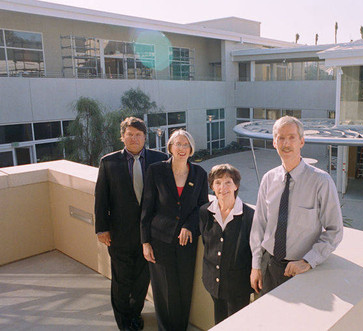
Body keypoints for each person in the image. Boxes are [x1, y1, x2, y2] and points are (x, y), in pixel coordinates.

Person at [250, 116, 343, 295]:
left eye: (292, 137)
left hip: (300, 269)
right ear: (274, 143)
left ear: (302, 141)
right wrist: (256, 265)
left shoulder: (321, 181)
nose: (286, 143)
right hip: (268, 266)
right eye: (281, 138)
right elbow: (259, 225)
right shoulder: (269, 179)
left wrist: (309, 261)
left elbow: (335, 230)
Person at [95, 117, 168, 331]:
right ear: (122, 137)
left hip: (150, 235)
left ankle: (135, 315)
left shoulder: (160, 159)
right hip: (119, 234)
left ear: (145, 137)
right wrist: (101, 228)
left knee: (141, 279)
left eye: (138, 134)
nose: (134, 138)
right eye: (130, 134)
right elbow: (101, 198)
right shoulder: (108, 162)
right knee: (121, 280)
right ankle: (123, 321)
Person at [140, 129, 208, 331]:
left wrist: (189, 226)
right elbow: (147, 207)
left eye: (185, 144)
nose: (181, 148)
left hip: (186, 242)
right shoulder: (155, 170)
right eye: (177, 144)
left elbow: (202, 207)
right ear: (170, 147)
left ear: (191, 149)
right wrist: (145, 242)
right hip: (159, 240)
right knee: (164, 290)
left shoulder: (200, 173)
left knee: (183, 288)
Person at [200, 164, 254, 324]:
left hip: (239, 286)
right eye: (217, 182)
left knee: (237, 325)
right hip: (213, 282)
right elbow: (207, 243)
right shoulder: (205, 212)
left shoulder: (250, 216)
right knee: (219, 322)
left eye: (228, 182)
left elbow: (254, 251)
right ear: (212, 186)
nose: (222, 187)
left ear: (236, 185)